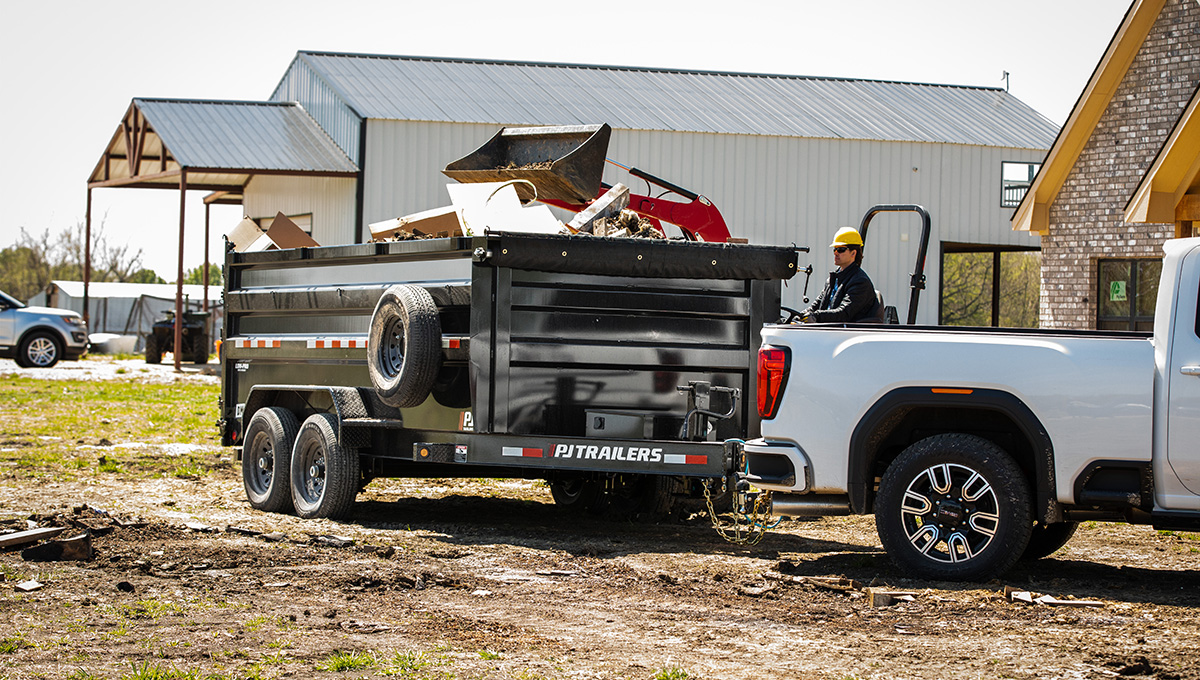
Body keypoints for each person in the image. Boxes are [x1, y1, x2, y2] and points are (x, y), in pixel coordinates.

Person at [798, 227, 881, 323]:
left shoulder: (860, 282)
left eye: (841, 249)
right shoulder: (833, 279)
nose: (836, 253)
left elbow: (844, 313)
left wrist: (816, 317)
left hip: (846, 334)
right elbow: (816, 305)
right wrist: (800, 316)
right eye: (835, 249)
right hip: (829, 331)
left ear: (853, 253)